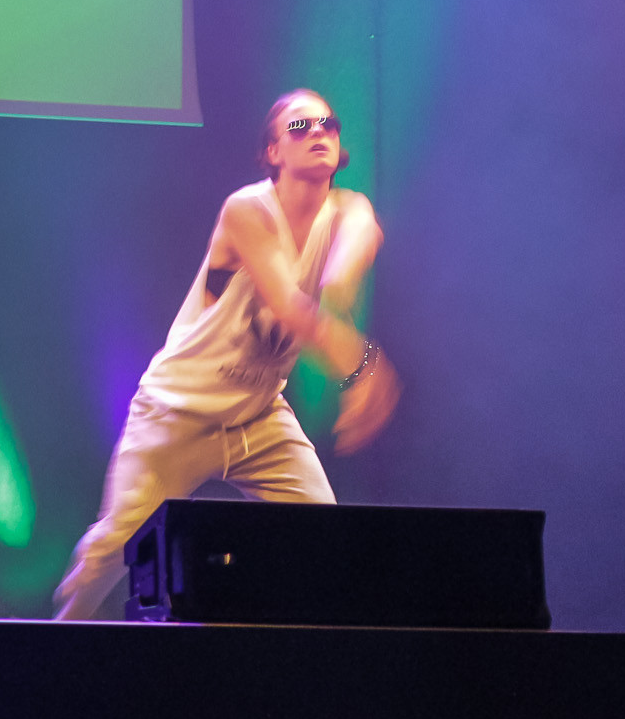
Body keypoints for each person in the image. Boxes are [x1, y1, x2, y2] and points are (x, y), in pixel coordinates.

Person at [53, 89, 400, 620]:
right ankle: (55, 643)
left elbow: (339, 281)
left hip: (259, 417)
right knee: (114, 546)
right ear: (273, 151)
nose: (318, 131)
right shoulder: (247, 210)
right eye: (300, 125)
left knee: (323, 537)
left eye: (327, 123)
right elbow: (291, 309)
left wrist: (345, 285)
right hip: (178, 412)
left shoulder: (350, 211)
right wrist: (365, 366)